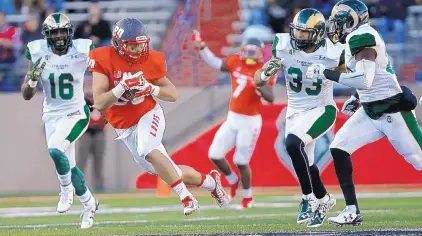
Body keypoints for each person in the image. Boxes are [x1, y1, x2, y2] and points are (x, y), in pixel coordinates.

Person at [89, 18, 229, 215]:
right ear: (118, 44)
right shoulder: (102, 58)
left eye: (141, 44)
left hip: (148, 114)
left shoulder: (150, 59)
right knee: (169, 171)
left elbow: (172, 94)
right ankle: (211, 183)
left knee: (147, 148)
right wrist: (122, 87)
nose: (138, 50)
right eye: (133, 46)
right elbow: (100, 102)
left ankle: (186, 198)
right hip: (124, 127)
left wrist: (150, 88)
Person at [306, 0, 422, 226]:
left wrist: (325, 73)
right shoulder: (354, 39)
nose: (335, 26)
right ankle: (352, 210)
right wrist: (356, 97)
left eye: (338, 21)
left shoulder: (362, 37)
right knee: (339, 147)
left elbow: (365, 79)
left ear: (352, 21)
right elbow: (370, 77)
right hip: (370, 110)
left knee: (419, 161)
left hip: (392, 110)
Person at [254, 8, 345, 227]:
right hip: (295, 111)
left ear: (318, 33)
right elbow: (258, 81)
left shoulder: (333, 50)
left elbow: (350, 74)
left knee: (293, 144)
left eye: (305, 33)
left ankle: (308, 199)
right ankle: (324, 199)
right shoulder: (283, 45)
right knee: (309, 164)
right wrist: (266, 72)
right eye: (297, 32)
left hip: (322, 108)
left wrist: (326, 72)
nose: (299, 37)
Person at [20, 13, 98, 229]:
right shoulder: (37, 52)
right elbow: (26, 94)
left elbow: (101, 72)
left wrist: (98, 97)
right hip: (52, 116)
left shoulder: (82, 49)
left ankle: (65, 192)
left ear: (70, 32)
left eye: (63, 31)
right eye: (55, 32)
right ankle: (90, 205)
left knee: (55, 150)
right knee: (69, 166)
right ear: (47, 35)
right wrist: (33, 79)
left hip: (76, 113)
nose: (60, 36)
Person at [192, 31, 275, 209]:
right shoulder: (235, 60)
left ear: (261, 53)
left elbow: (271, 98)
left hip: (250, 121)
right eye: (247, 51)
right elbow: (216, 63)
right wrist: (203, 48)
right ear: (242, 50)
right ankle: (232, 179)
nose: (250, 55)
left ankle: (247, 197)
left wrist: (259, 86)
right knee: (214, 154)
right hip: (233, 118)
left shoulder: (264, 70)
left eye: (254, 52)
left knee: (241, 160)